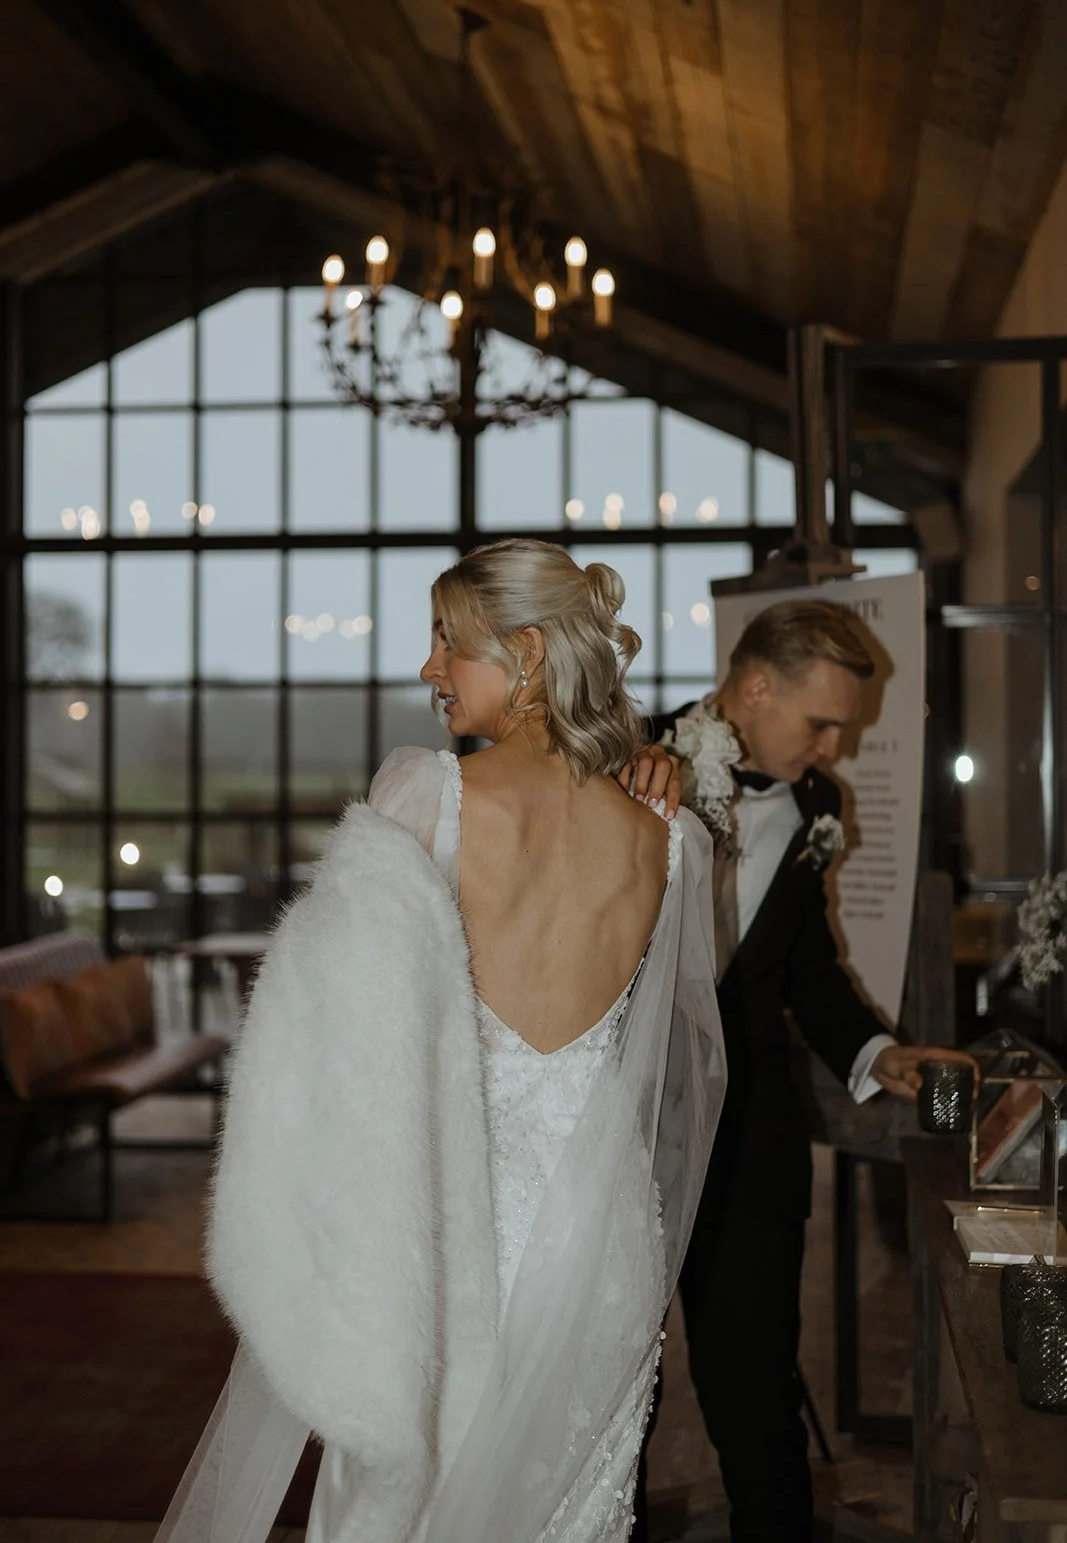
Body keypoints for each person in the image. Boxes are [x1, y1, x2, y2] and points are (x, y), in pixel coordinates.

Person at [155, 538, 726, 1543]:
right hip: (603, 1244)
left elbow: (326, 1045)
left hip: (446, 1230)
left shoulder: (426, 795)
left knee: (400, 1504)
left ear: (530, 654)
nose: (428, 670)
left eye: (446, 643)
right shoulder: (668, 839)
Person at [632, 598, 970, 1543]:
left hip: (751, 1138)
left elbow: (805, 965)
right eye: (819, 721)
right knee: (612, 1393)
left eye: (842, 728)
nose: (831, 748)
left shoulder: (816, 805)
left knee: (754, 1389)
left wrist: (876, 1049)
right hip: (617, 1132)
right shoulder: (627, 762)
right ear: (751, 687)